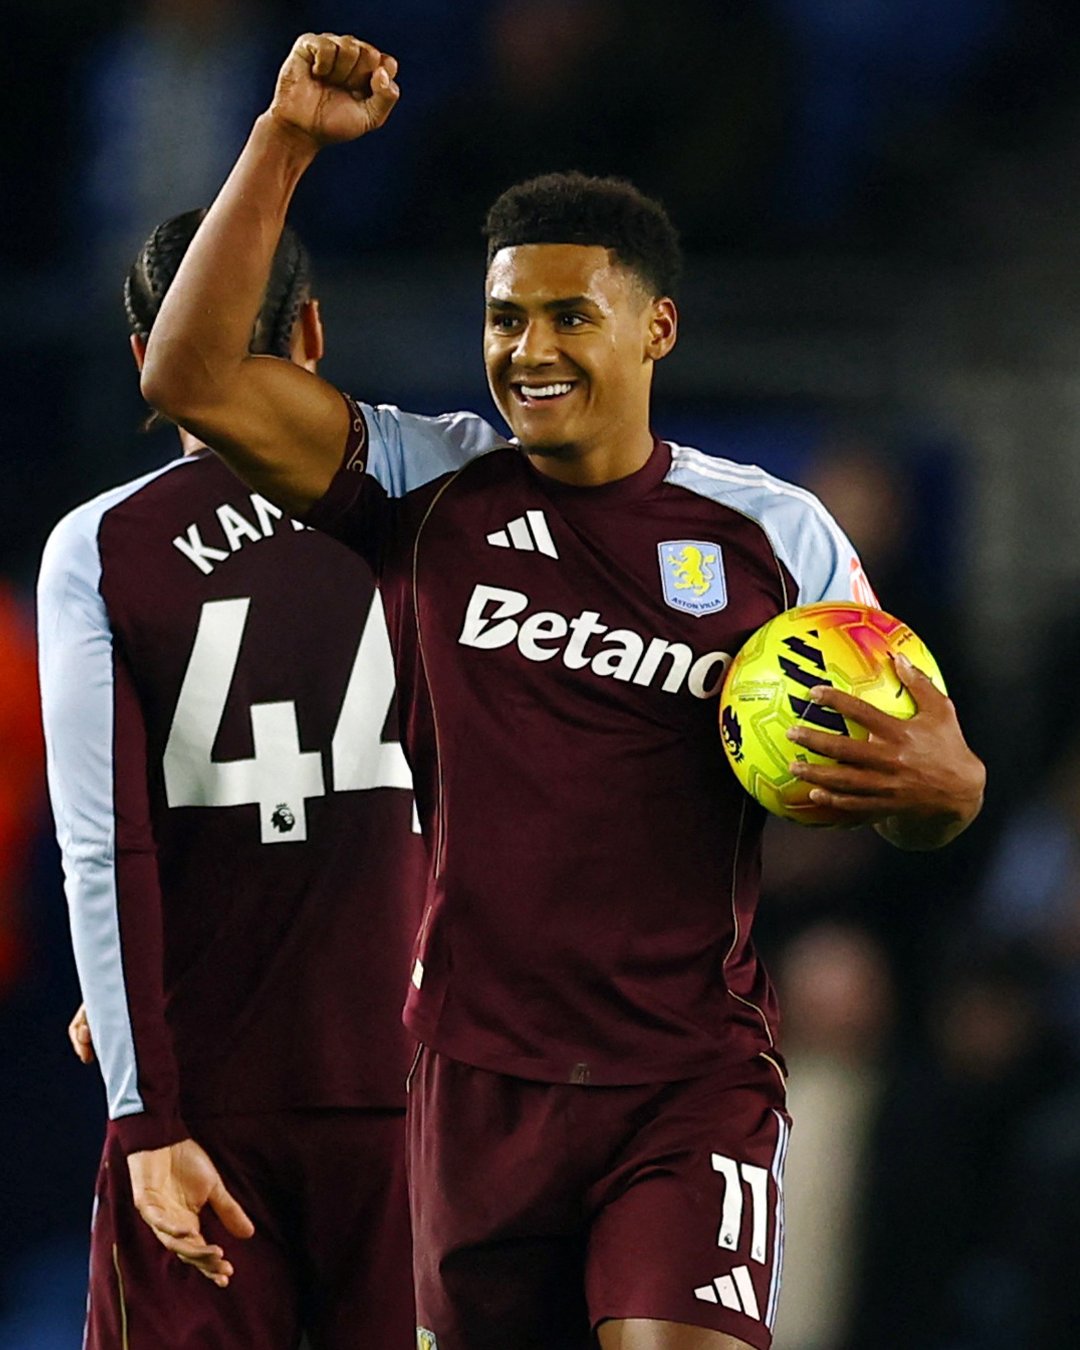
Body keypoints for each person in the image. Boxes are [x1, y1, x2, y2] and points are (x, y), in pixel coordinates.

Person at [139, 34, 986, 1350]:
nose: (527, 348)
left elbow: (919, 771)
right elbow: (187, 377)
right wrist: (285, 141)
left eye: (567, 315)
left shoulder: (777, 533)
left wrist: (950, 788)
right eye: (503, 316)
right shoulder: (425, 484)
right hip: (468, 1089)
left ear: (656, 326)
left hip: (688, 1081)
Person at [37, 208, 424, 1350]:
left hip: (201, 1098)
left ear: (145, 362)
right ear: (311, 330)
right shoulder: (432, 515)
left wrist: (142, 1090)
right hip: (420, 1090)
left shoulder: (104, 548)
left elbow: (105, 846)